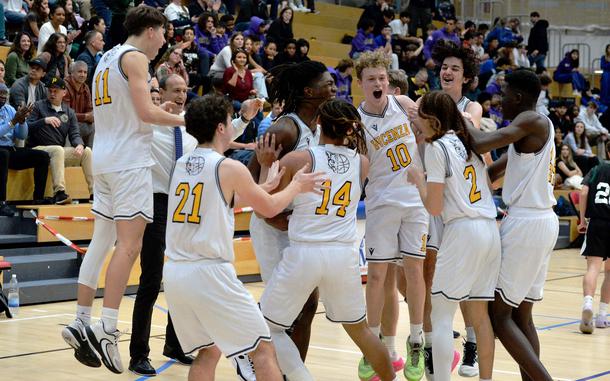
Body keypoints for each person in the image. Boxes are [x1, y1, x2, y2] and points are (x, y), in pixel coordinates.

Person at [61, 7, 187, 374]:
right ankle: (108, 328)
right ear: (150, 30)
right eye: (163, 33)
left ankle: (81, 319)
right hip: (130, 160)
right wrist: (184, 117)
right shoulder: (135, 59)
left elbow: (131, 108)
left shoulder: (106, 57)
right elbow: (146, 115)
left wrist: (155, 108)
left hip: (104, 156)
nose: (165, 41)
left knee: (100, 242)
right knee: (128, 246)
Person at [164, 94, 324, 381]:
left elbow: (221, 199)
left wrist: (264, 185)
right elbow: (271, 208)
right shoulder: (229, 167)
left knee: (209, 351)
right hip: (209, 272)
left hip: (176, 273)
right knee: (263, 349)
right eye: (228, 119)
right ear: (221, 127)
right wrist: (296, 186)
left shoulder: (181, 163)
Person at [259, 99, 399, 381]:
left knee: (266, 328)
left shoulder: (299, 159)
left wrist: (266, 165)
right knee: (361, 331)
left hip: (305, 252)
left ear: (319, 123)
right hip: (343, 255)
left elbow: (266, 207)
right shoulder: (362, 163)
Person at [246, 60, 336, 378]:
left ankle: (291, 370)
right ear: (309, 91)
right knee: (282, 312)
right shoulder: (286, 128)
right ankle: (261, 362)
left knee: (309, 304)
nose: (334, 85)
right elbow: (252, 178)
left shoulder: (321, 127)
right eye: (328, 82)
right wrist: (270, 215)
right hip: (272, 227)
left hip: (298, 227)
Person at [467, 69, 559, 381]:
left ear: (518, 97)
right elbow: (491, 172)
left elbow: (480, 143)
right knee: (521, 315)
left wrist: (455, 116)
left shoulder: (531, 120)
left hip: (528, 223)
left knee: (499, 315)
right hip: (540, 222)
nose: (498, 99)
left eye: (504, 94)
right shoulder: (529, 132)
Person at [407, 91, 499, 381]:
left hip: (463, 230)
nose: (416, 120)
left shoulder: (437, 148)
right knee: (481, 317)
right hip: (489, 228)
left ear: (432, 119)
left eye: (420, 114)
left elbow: (434, 207)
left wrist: (419, 182)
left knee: (442, 315)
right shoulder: (469, 141)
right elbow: (490, 183)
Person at [355, 50, 427, 381]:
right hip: (381, 203)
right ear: (360, 84)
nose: (379, 83)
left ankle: (416, 341)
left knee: (414, 272)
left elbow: (431, 130)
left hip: (414, 201)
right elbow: (358, 169)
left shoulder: (405, 104)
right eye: (371, 79)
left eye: (382, 78)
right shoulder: (357, 123)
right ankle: (374, 345)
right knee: (378, 276)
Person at [26, 76, 93, 204]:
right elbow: (27, 127)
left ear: (64, 93)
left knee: (87, 151)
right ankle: (60, 192)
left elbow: (75, 134)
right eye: (50, 90)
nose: (52, 94)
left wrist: (79, 144)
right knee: (58, 150)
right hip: (38, 149)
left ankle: (94, 193)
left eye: (55, 91)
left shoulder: (69, 112)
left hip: (57, 152)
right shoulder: (38, 106)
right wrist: (44, 121)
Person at [0, 84, 49, 215]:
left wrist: (22, 122)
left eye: (5, 93)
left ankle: (37, 199)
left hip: (9, 150)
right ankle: (1, 203)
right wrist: (13, 122)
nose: (3, 96)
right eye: (0, 93)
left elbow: (22, 135)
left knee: (42, 156)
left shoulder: (9, 109)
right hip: (1, 152)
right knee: (3, 154)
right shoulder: (11, 115)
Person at [578, 152, 610, 333]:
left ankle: (587, 303)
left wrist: (582, 220)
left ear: (607, 152)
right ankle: (603, 316)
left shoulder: (596, 169)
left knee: (593, 268)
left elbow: (583, 192)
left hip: (597, 222)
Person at [63, 61, 94, 147]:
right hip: (64, 124)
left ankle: (89, 156)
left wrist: (90, 116)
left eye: (85, 72)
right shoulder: (64, 86)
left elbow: (89, 110)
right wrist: (86, 117)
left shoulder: (85, 87)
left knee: (94, 127)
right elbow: (65, 115)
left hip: (79, 123)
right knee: (69, 125)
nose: (83, 75)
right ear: (72, 73)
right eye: (80, 71)